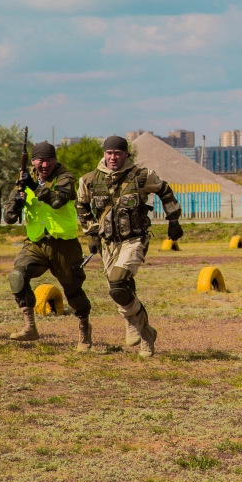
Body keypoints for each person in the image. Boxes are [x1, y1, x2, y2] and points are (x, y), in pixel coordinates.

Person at [76, 136, 183, 357]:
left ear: (126, 155)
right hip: (108, 243)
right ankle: (146, 334)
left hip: (134, 239)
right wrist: (92, 234)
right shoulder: (88, 180)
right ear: (104, 154)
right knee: (120, 290)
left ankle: (131, 322)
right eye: (109, 153)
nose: (113, 157)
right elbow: (82, 206)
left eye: (118, 153)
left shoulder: (142, 176)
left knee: (117, 281)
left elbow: (165, 190)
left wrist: (174, 220)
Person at [1, 142, 93, 350]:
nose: (44, 165)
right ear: (33, 161)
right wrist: (16, 202)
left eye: (48, 160)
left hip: (64, 244)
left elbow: (58, 201)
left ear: (55, 160)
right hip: (36, 243)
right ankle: (29, 326)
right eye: (39, 160)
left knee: (73, 291)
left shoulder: (65, 178)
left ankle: (84, 329)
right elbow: (8, 216)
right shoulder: (24, 177)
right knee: (18, 275)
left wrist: (33, 187)